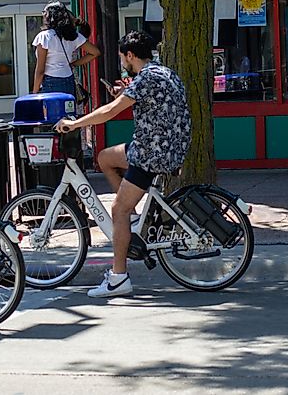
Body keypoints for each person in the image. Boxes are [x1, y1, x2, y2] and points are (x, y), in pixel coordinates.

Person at [56, 31, 191, 298]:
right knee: (105, 157)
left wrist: (75, 123)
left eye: (122, 58)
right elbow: (146, 99)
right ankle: (132, 219)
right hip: (166, 147)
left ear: (130, 55)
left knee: (117, 209)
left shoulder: (145, 79)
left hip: (152, 153)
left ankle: (118, 278)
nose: (122, 62)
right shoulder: (163, 72)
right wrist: (124, 91)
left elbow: (109, 112)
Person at [32, 1, 101, 95]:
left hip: (51, 81)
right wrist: (73, 64)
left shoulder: (44, 37)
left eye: (44, 12)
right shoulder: (73, 36)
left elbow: (40, 71)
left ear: (49, 16)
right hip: (69, 80)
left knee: (52, 110)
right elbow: (95, 52)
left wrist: (34, 93)